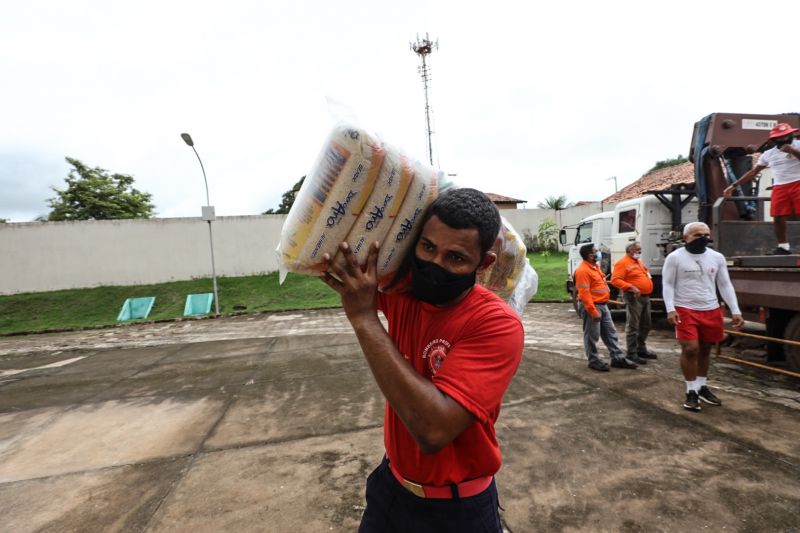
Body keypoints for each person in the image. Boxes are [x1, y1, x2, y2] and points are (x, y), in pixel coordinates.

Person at [321, 188, 523, 532]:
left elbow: (433, 429)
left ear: (483, 263)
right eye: (428, 247)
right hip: (390, 488)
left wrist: (364, 319)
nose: (435, 266)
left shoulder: (496, 324)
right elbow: (340, 252)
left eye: (455, 258)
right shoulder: (404, 293)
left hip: (457, 512)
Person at [662, 222, 745, 412]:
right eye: (697, 235)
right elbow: (668, 285)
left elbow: (725, 284)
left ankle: (701, 386)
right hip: (685, 308)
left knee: (706, 349)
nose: (703, 238)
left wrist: (735, 310)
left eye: (706, 235)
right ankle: (690, 391)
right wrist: (670, 309)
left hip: (711, 308)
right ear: (685, 238)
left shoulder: (717, 257)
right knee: (691, 349)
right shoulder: (675, 258)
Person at [723, 122, 800, 255]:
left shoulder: (798, 145)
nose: (785, 138)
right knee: (778, 216)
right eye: (781, 137)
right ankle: (783, 246)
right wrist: (733, 185)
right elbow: (754, 172)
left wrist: (792, 151)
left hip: (798, 182)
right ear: (774, 140)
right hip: (780, 186)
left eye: (787, 135)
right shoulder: (768, 154)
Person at [574, 243, 638, 371]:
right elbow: (584, 294)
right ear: (589, 255)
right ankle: (593, 360)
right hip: (592, 306)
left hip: (602, 305)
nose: (598, 253)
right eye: (595, 251)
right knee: (592, 335)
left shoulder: (594, 267)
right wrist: (593, 312)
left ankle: (617, 358)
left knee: (610, 332)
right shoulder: (582, 270)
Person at [611, 241, 656, 364]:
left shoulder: (638, 262)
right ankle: (631, 353)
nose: (639, 252)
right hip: (633, 297)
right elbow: (615, 280)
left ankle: (641, 349)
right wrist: (631, 287)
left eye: (640, 249)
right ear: (629, 250)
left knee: (646, 324)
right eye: (637, 250)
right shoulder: (622, 263)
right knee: (633, 326)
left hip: (645, 297)